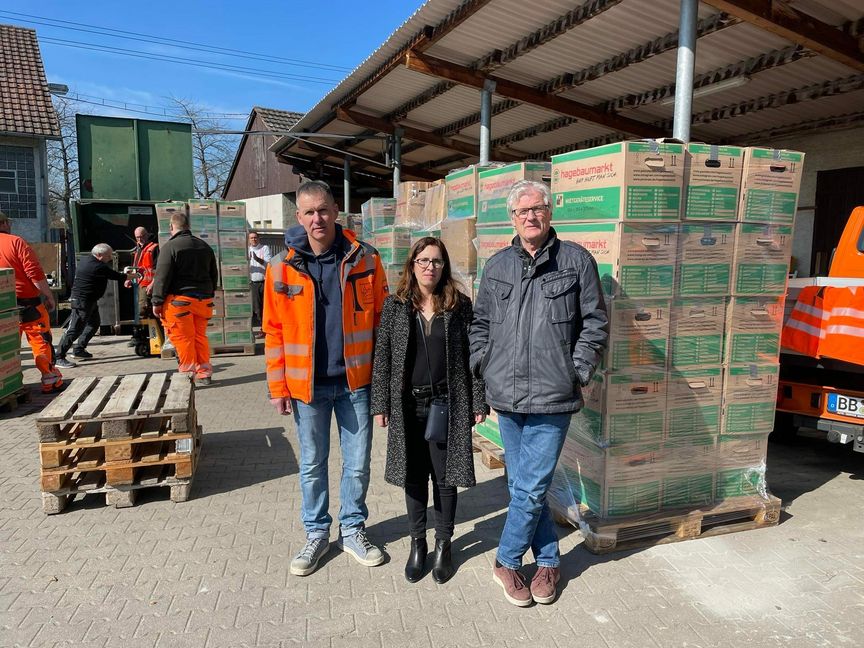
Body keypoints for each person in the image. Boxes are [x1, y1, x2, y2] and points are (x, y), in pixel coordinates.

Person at [469, 180, 609, 607]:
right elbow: (481, 325)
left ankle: (506, 560)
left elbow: (595, 322)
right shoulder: (496, 267)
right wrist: (483, 363)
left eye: (539, 208)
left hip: (553, 396)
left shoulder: (575, 261)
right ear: (513, 218)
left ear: (550, 213)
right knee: (525, 487)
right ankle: (548, 560)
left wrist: (577, 370)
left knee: (529, 489)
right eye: (522, 210)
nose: (531, 216)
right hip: (507, 398)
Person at [263, 180, 388, 577]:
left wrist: (384, 383)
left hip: (356, 383)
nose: (317, 219)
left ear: (336, 210)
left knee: (357, 465)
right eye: (309, 212)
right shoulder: (281, 267)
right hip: (307, 386)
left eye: (323, 210)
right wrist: (277, 386)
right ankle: (316, 533)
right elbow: (274, 330)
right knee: (313, 465)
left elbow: (383, 322)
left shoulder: (366, 259)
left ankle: (352, 529)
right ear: (298, 217)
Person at [370, 237, 486, 584]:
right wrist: (380, 403)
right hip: (408, 405)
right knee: (414, 476)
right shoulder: (395, 306)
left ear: (444, 266)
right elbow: (383, 358)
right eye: (423, 260)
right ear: (412, 265)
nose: (429, 267)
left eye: (436, 261)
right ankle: (417, 543)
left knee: (446, 478)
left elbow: (474, 357)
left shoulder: (459, 305)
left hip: (448, 404)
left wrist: (478, 401)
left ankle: (443, 544)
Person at [151, 210, 218, 386]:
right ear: (188, 226)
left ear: (171, 227)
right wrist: (209, 294)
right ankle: (205, 374)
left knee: (184, 340)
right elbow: (213, 275)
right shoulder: (204, 246)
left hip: (180, 302)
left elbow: (162, 277)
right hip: (203, 301)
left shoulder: (170, 247)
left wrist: (157, 301)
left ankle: (187, 378)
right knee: (200, 337)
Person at [0, 211, 64, 393]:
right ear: (4, 223)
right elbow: (34, 273)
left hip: (3, 307)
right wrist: (48, 295)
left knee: (6, 347)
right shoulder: (15, 242)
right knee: (40, 340)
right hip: (28, 304)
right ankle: (50, 378)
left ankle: (9, 384)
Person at [55, 243, 135, 369]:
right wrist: (133, 275)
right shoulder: (97, 266)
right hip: (82, 301)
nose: (110, 258)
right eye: (108, 256)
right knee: (74, 329)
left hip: (90, 300)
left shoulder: (88, 260)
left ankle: (79, 349)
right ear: (99, 255)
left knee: (94, 324)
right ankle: (58, 357)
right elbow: (116, 276)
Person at [125, 226, 158, 320]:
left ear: (147, 235)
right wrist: (129, 279)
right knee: (142, 309)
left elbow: (158, 269)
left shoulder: (154, 248)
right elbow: (135, 266)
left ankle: (144, 332)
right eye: (137, 237)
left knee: (143, 310)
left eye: (142, 236)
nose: (140, 239)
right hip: (140, 284)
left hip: (149, 284)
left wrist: (152, 284)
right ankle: (142, 332)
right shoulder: (138, 249)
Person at [248, 230, 271, 338]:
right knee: (257, 308)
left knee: (266, 306)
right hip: (253, 283)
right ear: (249, 240)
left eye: (255, 237)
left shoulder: (264, 248)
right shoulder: (247, 250)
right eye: (251, 238)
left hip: (264, 282)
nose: (254, 239)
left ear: (259, 238)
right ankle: (263, 328)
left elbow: (268, 264)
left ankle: (266, 329)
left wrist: (257, 259)